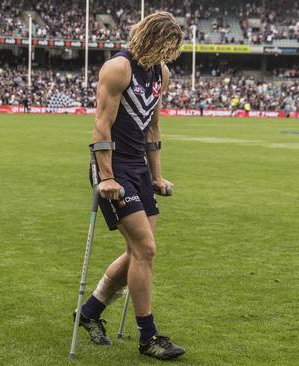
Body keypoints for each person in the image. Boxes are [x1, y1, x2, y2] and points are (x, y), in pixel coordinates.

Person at [74, 12, 186, 360]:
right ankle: (148, 337)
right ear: (153, 39)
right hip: (113, 167)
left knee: (138, 251)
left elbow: (152, 127)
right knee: (146, 250)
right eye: (168, 47)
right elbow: (101, 126)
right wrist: (106, 176)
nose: (170, 56)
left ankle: (89, 313)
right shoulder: (118, 68)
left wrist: (156, 175)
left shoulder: (160, 74)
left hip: (137, 167)